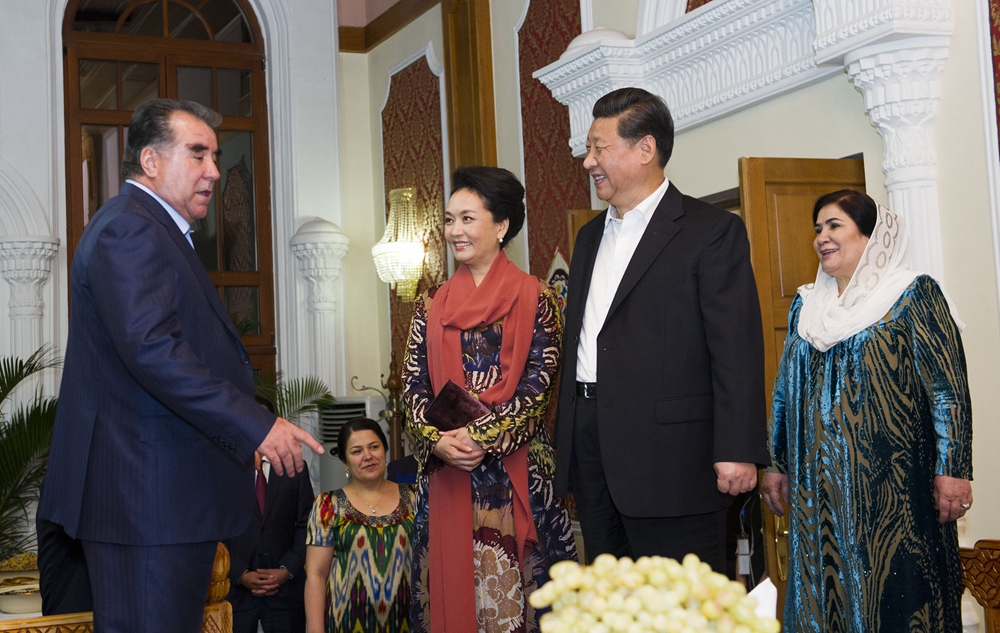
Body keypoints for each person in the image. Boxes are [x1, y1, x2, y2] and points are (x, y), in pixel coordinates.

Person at [36, 98, 323, 633]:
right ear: (150, 161)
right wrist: (257, 424)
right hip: (145, 500)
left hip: (161, 500)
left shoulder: (150, 228)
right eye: (197, 154)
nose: (213, 170)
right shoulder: (131, 228)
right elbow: (152, 351)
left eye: (215, 156)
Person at [553, 87, 768, 572]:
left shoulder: (710, 231)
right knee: (612, 599)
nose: (588, 162)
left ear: (645, 149)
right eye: (588, 149)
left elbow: (735, 350)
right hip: (592, 452)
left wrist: (738, 449)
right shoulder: (588, 237)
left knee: (681, 602)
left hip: (674, 462)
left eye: (599, 148)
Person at [761, 190, 973, 632]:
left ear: (871, 236)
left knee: (896, 602)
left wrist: (953, 469)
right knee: (823, 599)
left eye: (834, 225)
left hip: (894, 495)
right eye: (818, 228)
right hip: (816, 495)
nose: (821, 237)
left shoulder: (912, 295)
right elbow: (784, 391)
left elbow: (947, 390)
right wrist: (776, 462)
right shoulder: (805, 306)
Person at [402, 166, 577, 633]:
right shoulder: (429, 304)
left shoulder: (539, 298)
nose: (454, 231)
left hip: (517, 475)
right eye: (449, 219)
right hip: (445, 474)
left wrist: (478, 439)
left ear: (501, 226)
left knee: (524, 602)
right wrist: (437, 441)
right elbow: (413, 386)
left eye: (467, 218)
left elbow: (538, 389)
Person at [304, 418, 415, 633]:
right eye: (356, 451)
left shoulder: (414, 497)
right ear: (345, 461)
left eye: (374, 447)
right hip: (346, 623)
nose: (367, 456)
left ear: (385, 450)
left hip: (407, 622)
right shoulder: (328, 505)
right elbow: (316, 574)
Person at [224, 396, 315, 633]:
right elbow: (215, 529)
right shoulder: (224, 472)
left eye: (262, 421)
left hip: (286, 595)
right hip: (236, 594)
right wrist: (239, 573)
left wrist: (287, 569)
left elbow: (307, 524)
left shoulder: (295, 468)